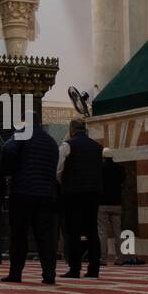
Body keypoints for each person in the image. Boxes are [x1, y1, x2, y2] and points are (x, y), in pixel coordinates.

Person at [0, 123, 59, 284]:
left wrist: (8, 170)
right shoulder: (51, 141)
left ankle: (15, 273)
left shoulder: (23, 133)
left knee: (19, 235)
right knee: (46, 237)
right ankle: (49, 275)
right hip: (46, 194)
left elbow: (7, 149)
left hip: (23, 191)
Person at [57, 118, 103, 278]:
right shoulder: (98, 147)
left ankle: (75, 268)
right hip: (93, 192)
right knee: (91, 230)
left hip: (73, 193)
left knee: (73, 231)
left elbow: (57, 170)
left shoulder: (68, 145)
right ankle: (94, 268)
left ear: (71, 131)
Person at [97, 148, 127, 265]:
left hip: (102, 204)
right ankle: (120, 258)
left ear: (103, 157)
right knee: (118, 232)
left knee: (102, 232)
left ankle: (103, 259)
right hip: (117, 204)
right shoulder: (120, 169)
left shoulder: (99, 169)